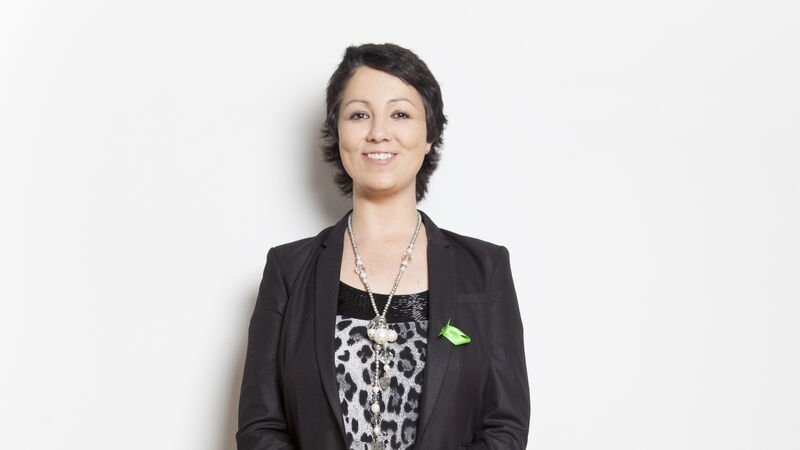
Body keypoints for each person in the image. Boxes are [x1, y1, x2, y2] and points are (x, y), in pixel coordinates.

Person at [236, 43, 530, 450]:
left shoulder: (485, 269)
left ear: (429, 135)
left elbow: (504, 428)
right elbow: (260, 428)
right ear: (338, 132)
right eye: (359, 114)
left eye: (400, 114)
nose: (378, 132)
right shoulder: (288, 270)